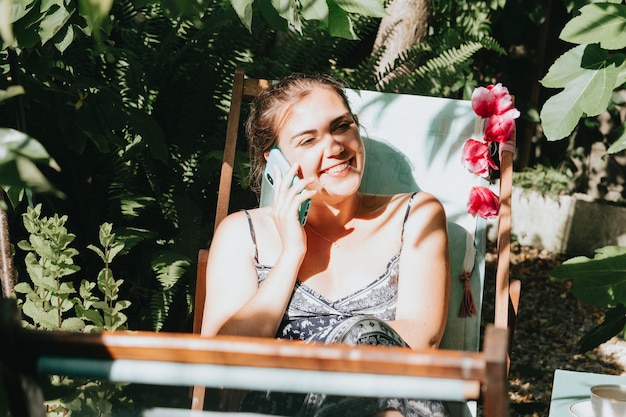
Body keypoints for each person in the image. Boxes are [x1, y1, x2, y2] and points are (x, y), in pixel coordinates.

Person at [201, 73, 451, 417]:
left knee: (369, 338)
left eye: (341, 126)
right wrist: (291, 254)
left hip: (400, 402)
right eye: (307, 141)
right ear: (272, 162)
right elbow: (221, 361)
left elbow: (421, 339)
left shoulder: (414, 215)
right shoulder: (243, 234)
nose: (334, 147)